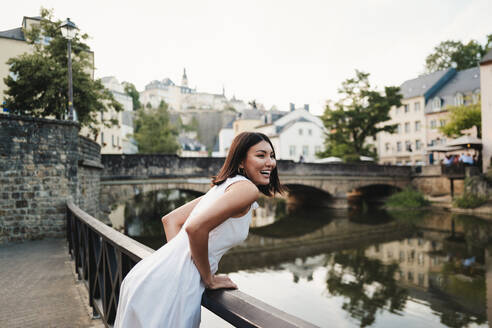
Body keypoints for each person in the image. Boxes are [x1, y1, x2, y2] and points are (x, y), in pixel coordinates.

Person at [114, 132, 284, 328]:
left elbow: (171, 220)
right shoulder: (246, 190)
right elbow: (195, 228)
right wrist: (208, 278)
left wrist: (181, 264)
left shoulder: (223, 187)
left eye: (272, 156)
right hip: (169, 289)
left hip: (149, 277)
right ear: (241, 162)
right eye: (261, 155)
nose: (270, 162)